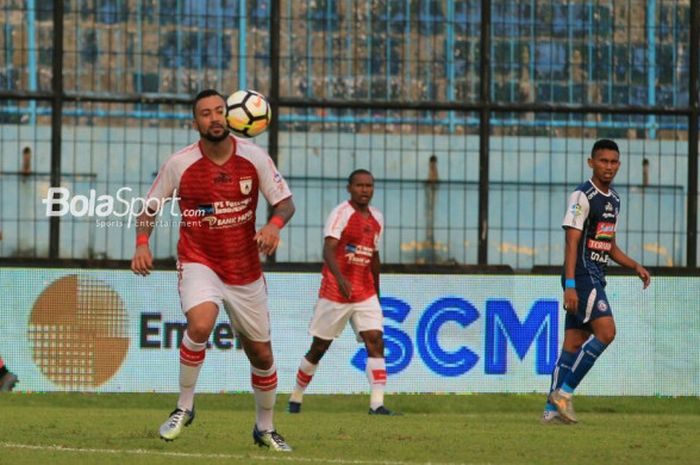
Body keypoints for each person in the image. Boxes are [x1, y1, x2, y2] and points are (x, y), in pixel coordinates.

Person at [131, 89, 295, 451]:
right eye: (206, 114)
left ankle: (265, 428)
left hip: (245, 269)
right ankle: (184, 407)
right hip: (199, 260)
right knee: (201, 324)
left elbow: (285, 203)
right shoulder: (180, 163)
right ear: (195, 123)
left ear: (232, 115)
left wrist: (273, 227)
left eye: (220, 110)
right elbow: (150, 207)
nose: (215, 118)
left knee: (262, 355)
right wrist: (142, 243)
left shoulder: (254, 157)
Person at [542, 139, 651, 424]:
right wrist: (569, 284)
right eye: (603, 161)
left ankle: (551, 411)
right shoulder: (582, 196)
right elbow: (572, 241)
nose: (609, 167)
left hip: (595, 273)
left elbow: (609, 245)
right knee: (607, 332)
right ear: (591, 163)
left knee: (574, 342)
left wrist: (634, 265)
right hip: (581, 273)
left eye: (614, 162)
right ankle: (563, 394)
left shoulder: (614, 200)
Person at [288, 169, 400, 416]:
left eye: (369, 186)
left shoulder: (377, 218)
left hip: (365, 291)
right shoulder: (341, 213)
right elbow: (329, 250)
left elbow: (374, 256)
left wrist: (377, 292)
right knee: (319, 347)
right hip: (336, 292)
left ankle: (377, 404)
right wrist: (339, 279)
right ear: (349, 188)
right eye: (359, 185)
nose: (364, 190)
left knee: (376, 340)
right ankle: (296, 396)